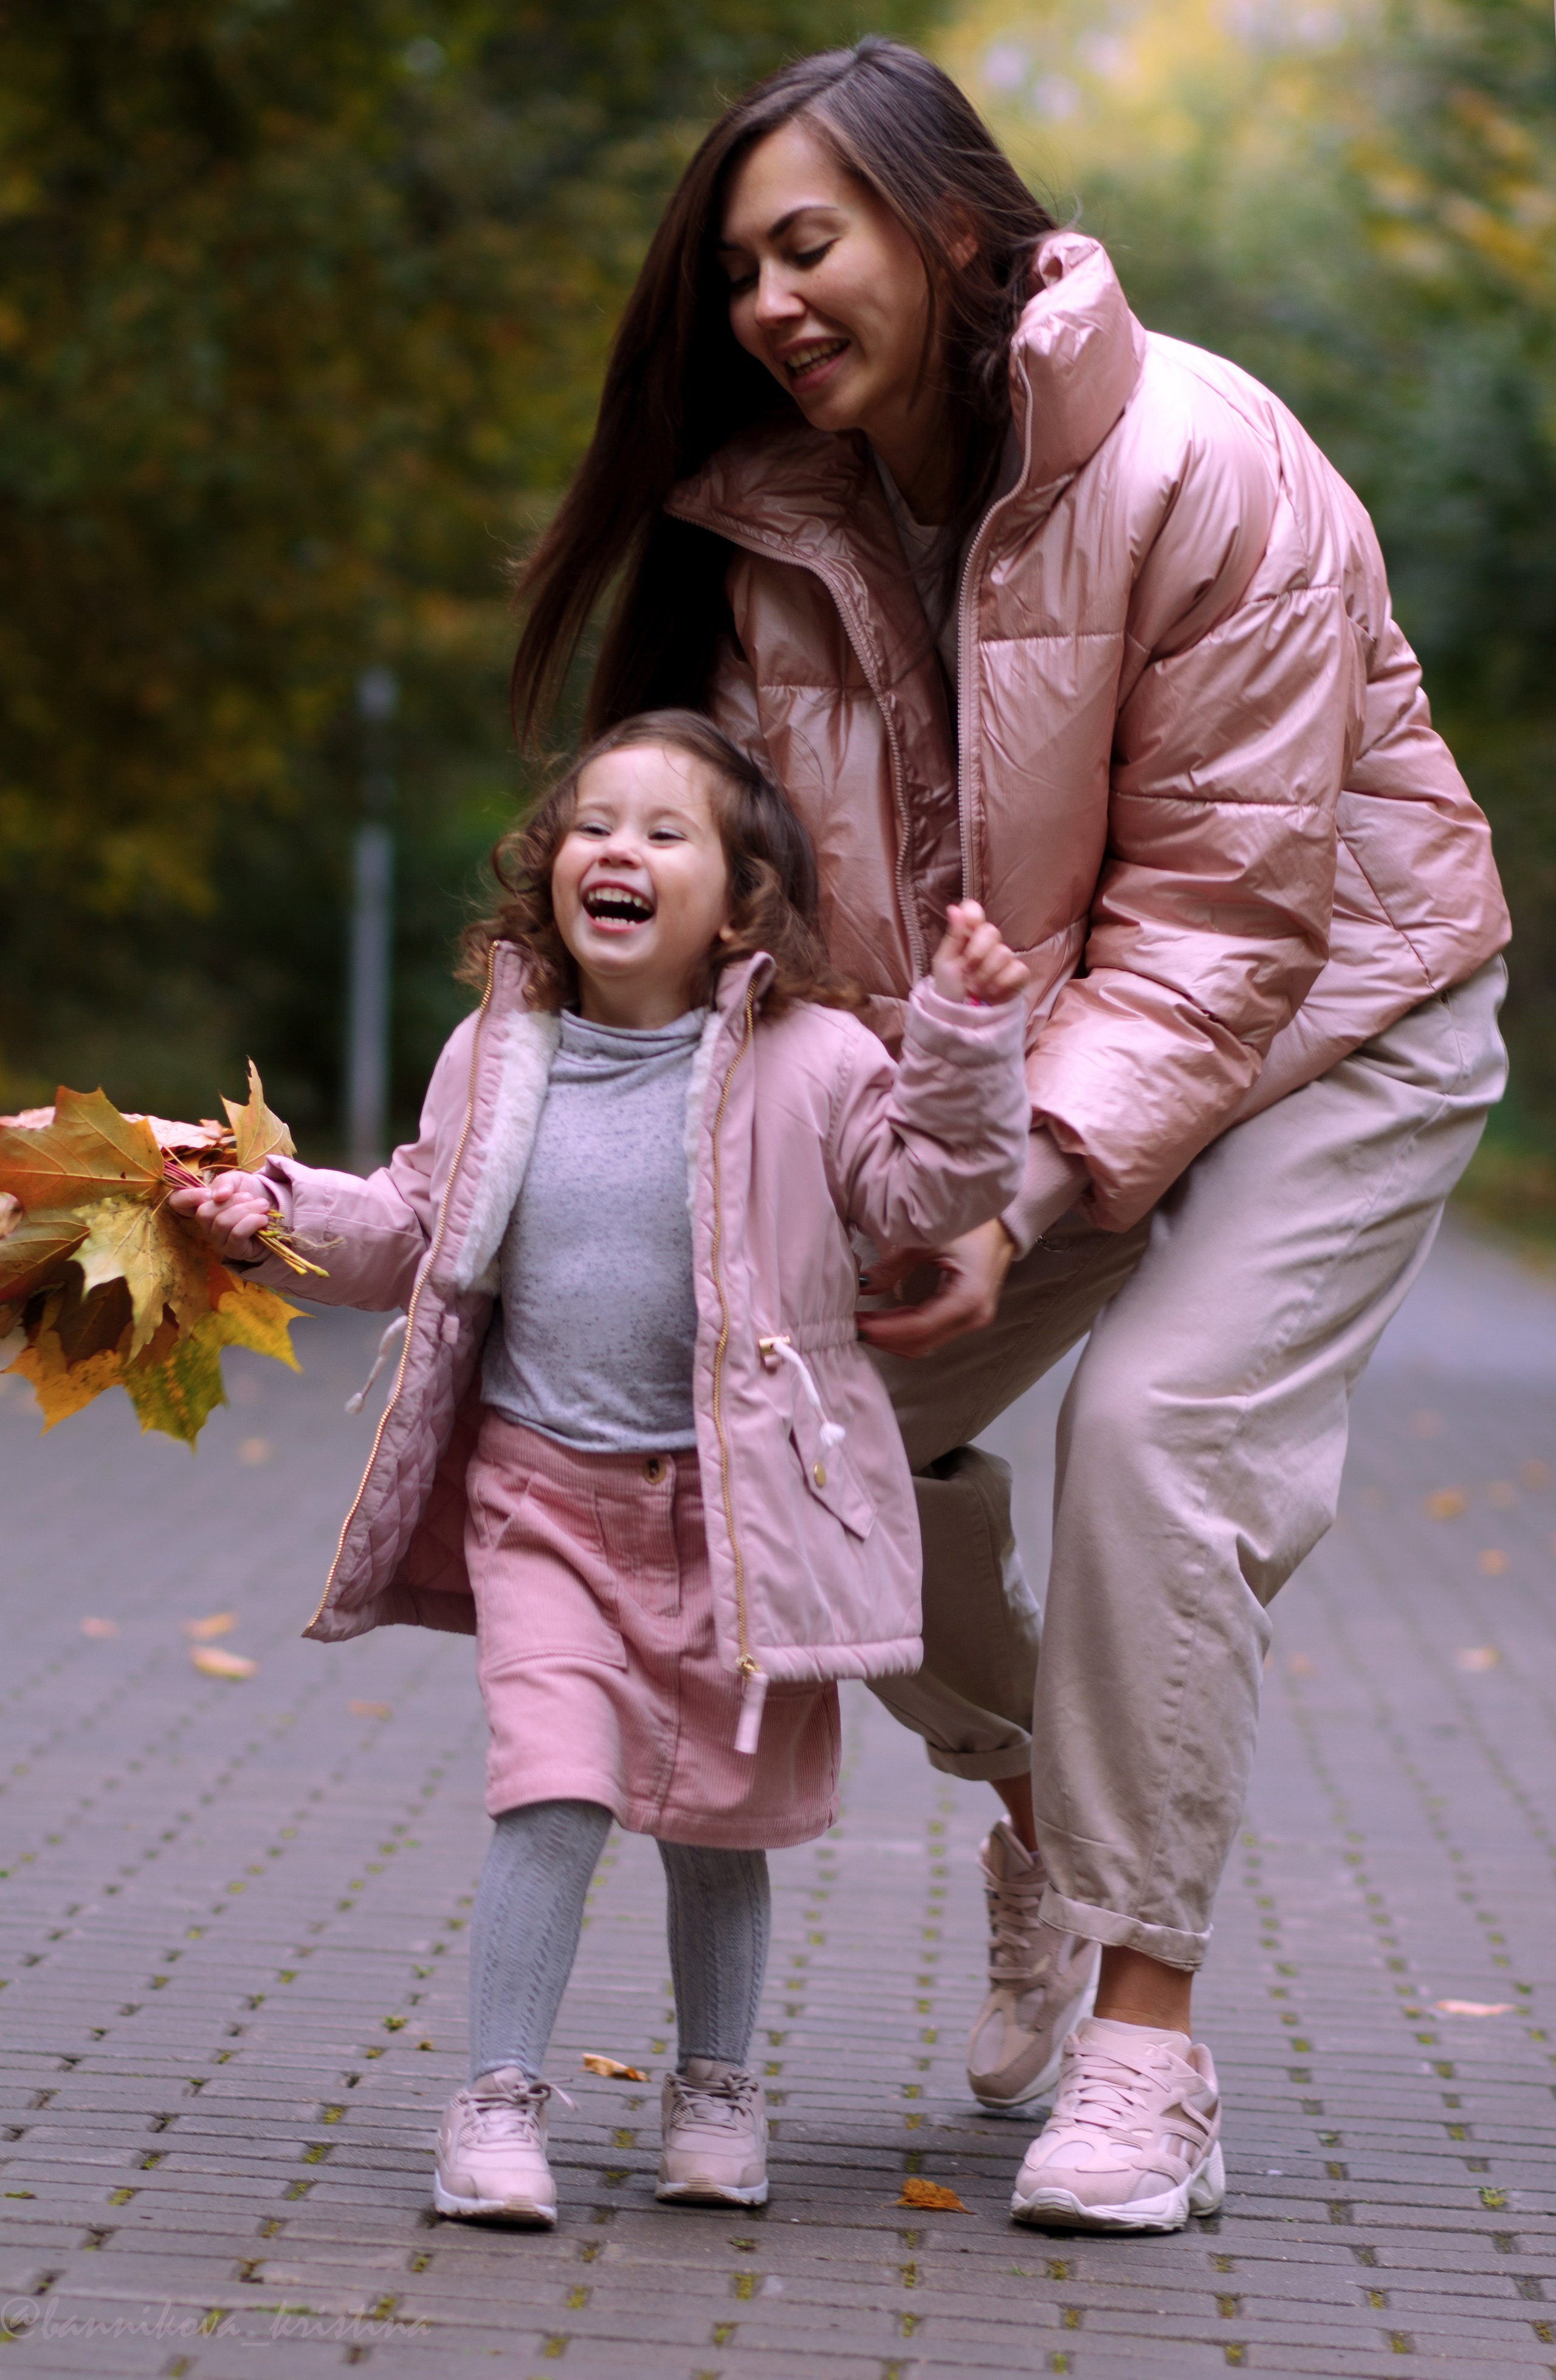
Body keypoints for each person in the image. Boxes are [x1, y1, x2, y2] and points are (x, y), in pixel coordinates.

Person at [506, 41, 1512, 2232]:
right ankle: (1062, 1813)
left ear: (950, 230)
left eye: (807, 243)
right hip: (1025, 1059)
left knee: (1158, 1434)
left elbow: (1233, 922)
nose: (768, 300)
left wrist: (1016, 1189)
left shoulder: (1204, 462)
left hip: (1342, 1020)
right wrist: (550, 1128)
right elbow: (752, 910)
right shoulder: (778, 527)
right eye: (737, 269)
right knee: (781, 1406)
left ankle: (1148, 2047)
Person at [170, 709, 1031, 2227]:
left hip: (738, 1511)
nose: (614, 850)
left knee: (716, 1817)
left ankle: (715, 2091)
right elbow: (414, 1224)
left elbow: (926, 1188)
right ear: (547, 865)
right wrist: (278, 1207)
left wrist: (962, 1043)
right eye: (590, 824)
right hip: (544, 1497)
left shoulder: (817, 1058)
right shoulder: (498, 1053)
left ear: (742, 891)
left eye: (662, 830)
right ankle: (496, 2101)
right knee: (551, 1793)